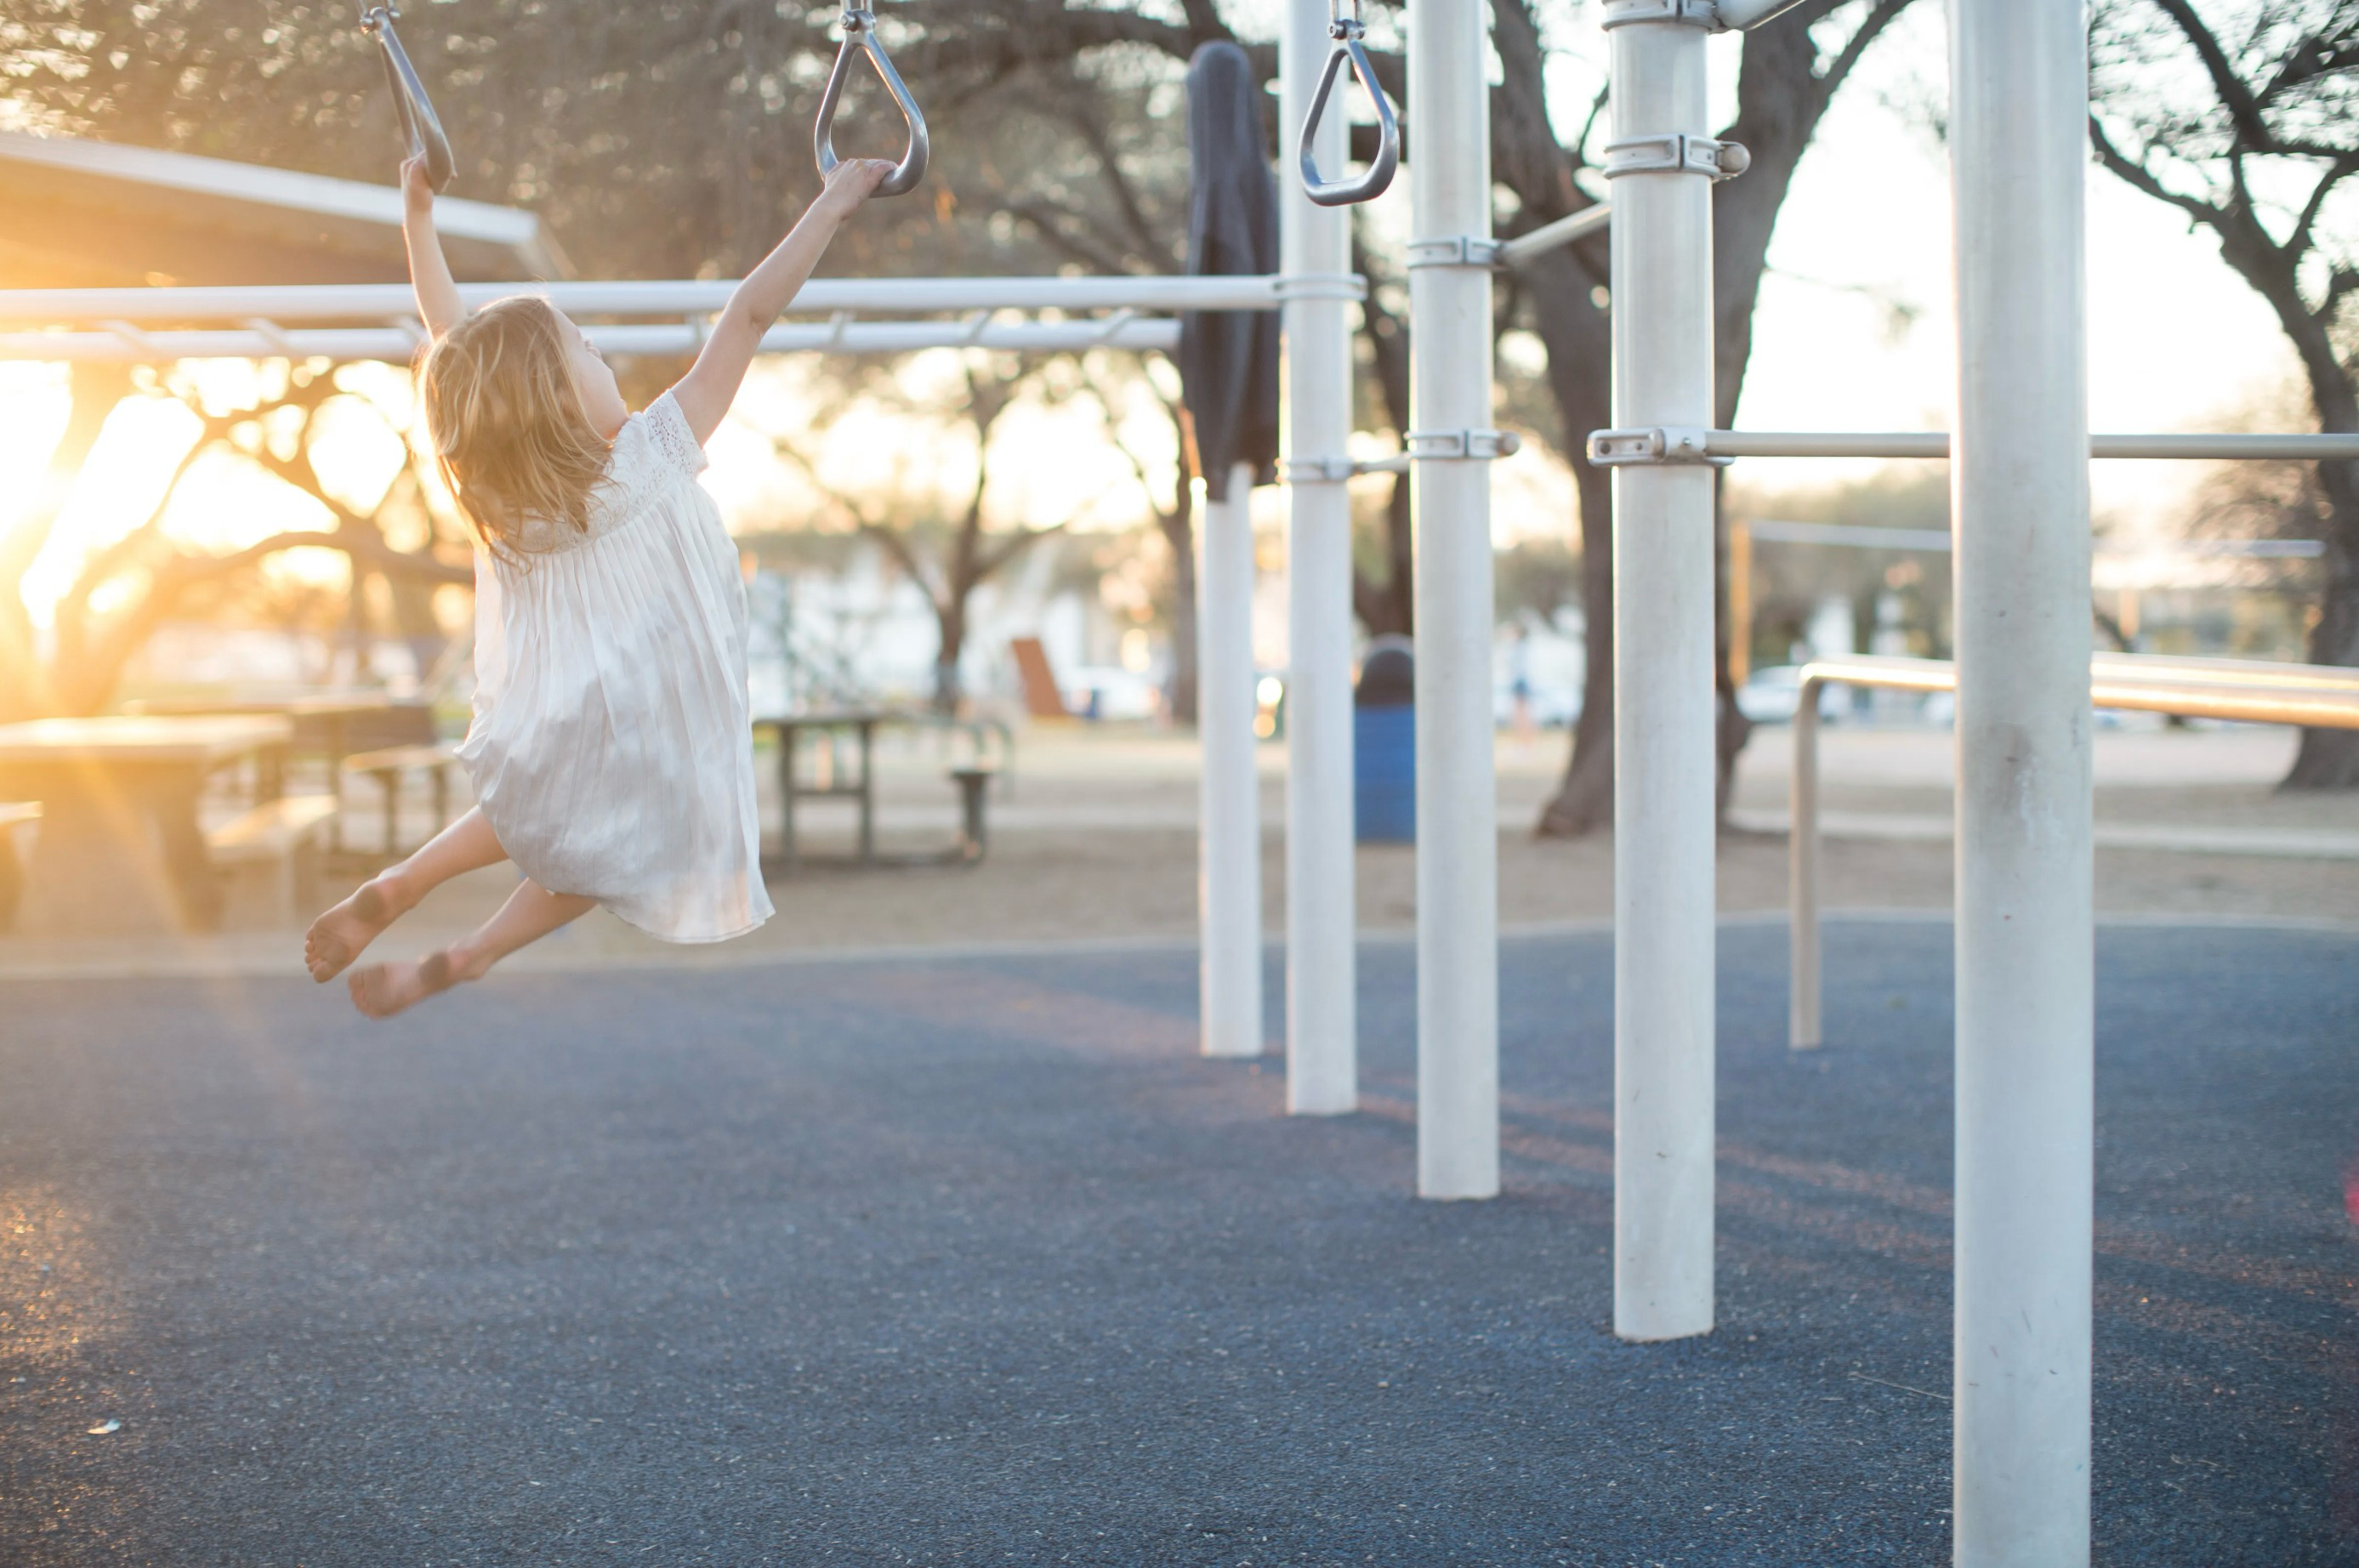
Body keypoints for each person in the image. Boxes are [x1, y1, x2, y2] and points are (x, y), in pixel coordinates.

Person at [304, 152, 894, 1018]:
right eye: (584, 347)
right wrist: (833, 204)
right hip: (648, 728)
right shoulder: (655, 451)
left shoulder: (508, 506)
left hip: (557, 723)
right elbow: (751, 312)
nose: (600, 348)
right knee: (606, 853)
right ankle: (470, 952)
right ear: (553, 394)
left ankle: (403, 880)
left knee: (539, 821)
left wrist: (417, 218)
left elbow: (452, 343)